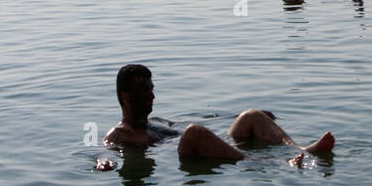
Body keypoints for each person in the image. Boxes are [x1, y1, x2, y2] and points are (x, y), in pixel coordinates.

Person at [99, 64, 335, 166]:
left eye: (152, 89)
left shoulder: (157, 121)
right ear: (126, 96)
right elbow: (103, 152)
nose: (152, 96)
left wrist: (234, 117)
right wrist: (104, 163)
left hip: (208, 143)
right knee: (193, 133)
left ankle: (301, 149)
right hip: (184, 155)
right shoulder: (120, 134)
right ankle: (277, 164)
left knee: (250, 115)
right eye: (144, 91)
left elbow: (195, 122)